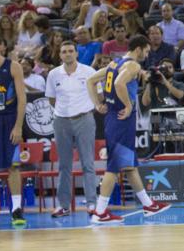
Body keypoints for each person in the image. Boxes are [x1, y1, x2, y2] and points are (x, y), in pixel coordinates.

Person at [86, 35, 171, 224]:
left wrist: (97, 104)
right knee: (114, 167)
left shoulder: (115, 63)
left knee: (130, 164)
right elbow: (119, 84)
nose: (146, 55)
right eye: (146, 51)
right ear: (138, 49)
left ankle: (148, 204)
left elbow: (90, 80)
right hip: (122, 118)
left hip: (112, 117)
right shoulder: (133, 65)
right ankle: (100, 212)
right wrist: (129, 105)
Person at [45, 40, 98, 217]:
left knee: (88, 163)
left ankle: (92, 204)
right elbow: (52, 99)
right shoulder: (53, 74)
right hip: (61, 121)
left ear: (76, 53)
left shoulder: (89, 71)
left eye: (70, 51)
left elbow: (98, 94)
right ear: (60, 55)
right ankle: (64, 205)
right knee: (64, 165)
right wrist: (63, 112)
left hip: (84, 119)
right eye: (64, 52)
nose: (67, 54)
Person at [0, 37, 27, 226]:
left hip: (9, 120)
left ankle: (16, 209)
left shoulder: (13, 66)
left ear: (2, 46)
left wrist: (18, 126)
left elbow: (22, 99)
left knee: (14, 166)